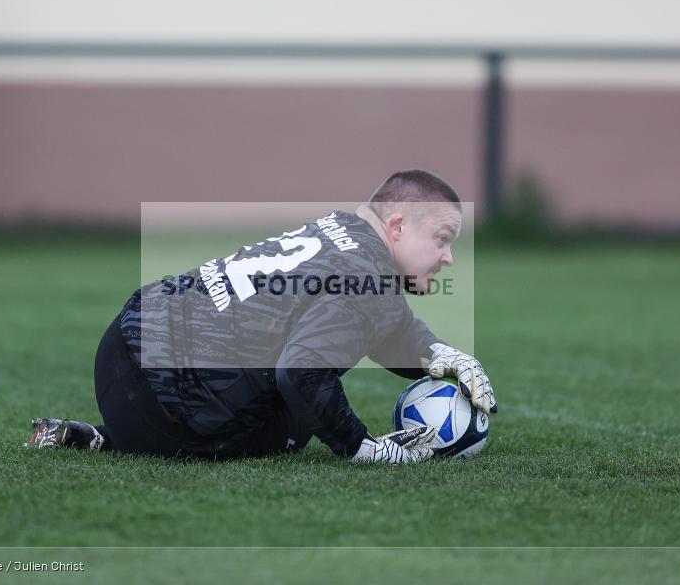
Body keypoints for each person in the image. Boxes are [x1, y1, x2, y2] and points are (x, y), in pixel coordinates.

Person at [26, 169, 496, 464]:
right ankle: (132, 439)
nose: (448, 257)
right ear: (397, 226)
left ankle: (104, 438)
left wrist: (438, 353)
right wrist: (365, 447)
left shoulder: (337, 228)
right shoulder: (371, 279)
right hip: (165, 409)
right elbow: (301, 374)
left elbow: (381, 321)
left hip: (118, 346)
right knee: (302, 415)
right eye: (443, 237)